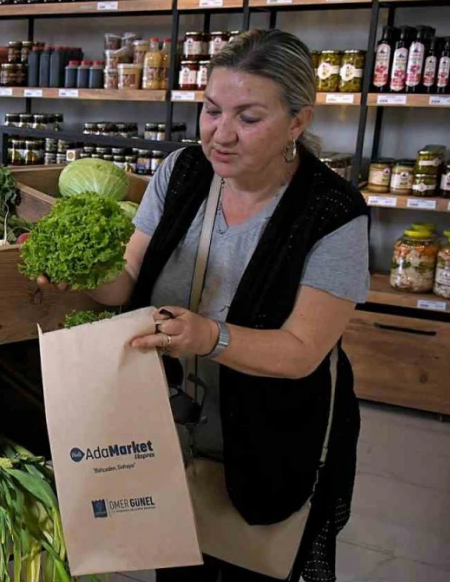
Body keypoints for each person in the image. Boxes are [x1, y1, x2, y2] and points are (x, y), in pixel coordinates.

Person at [61, 30, 369, 581]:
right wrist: (80, 269)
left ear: (297, 122)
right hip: (170, 433)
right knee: (179, 565)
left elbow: (301, 352)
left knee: (254, 565)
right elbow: (128, 279)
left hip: (268, 440)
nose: (220, 135)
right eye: (210, 111)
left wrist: (209, 337)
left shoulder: (332, 213)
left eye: (248, 118)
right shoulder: (181, 173)